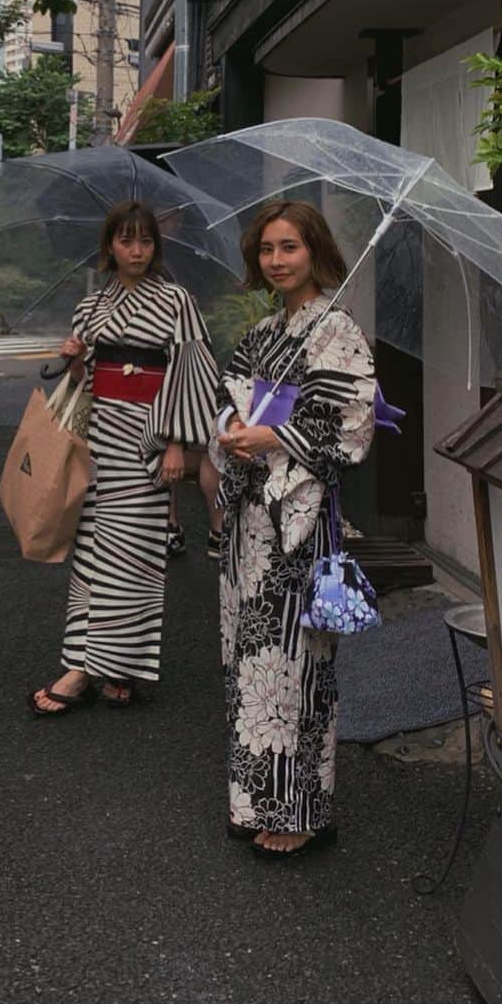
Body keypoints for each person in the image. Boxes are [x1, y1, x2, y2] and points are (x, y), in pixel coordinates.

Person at [213, 200, 375, 857]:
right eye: (267, 250)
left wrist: (270, 434)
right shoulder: (262, 333)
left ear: (316, 252)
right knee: (251, 664)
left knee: (298, 666)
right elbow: (230, 396)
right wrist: (232, 432)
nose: (277, 261)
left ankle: (305, 811)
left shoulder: (336, 330)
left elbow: (351, 422)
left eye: (290, 248)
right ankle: (256, 799)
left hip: (299, 526)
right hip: (251, 522)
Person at [29, 200, 219, 714]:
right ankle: (91, 665)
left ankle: (103, 668)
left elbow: (189, 372)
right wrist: (73, 361)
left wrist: (178, 441)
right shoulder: (91, 307)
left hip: (148, 437)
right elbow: (81, 387)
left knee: (134, 554)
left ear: (155, 247)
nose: (136, 250)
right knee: (91, 552)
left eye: (145, 241)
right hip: (100, 439)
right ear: (110, 246)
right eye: (126, 240)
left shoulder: (176, 301)